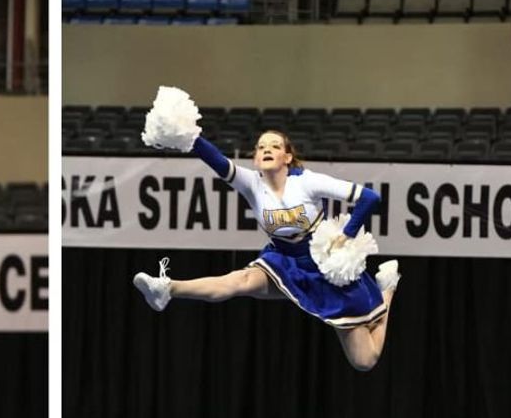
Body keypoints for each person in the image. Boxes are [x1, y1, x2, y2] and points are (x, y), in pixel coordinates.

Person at [133, 131, 399, 371]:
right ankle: (166, 288)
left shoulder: (308, 182)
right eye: (261, 147)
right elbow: (216, 160)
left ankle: (386, 289)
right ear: (256, 159)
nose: (267, 149)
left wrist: (346, 234)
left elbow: (370, 198)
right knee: (240, 281)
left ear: (288, 157)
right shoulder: (251, 183)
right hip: (284, 264)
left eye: (275, 145)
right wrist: (187, 135)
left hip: (324, 271)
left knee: (365, 360)